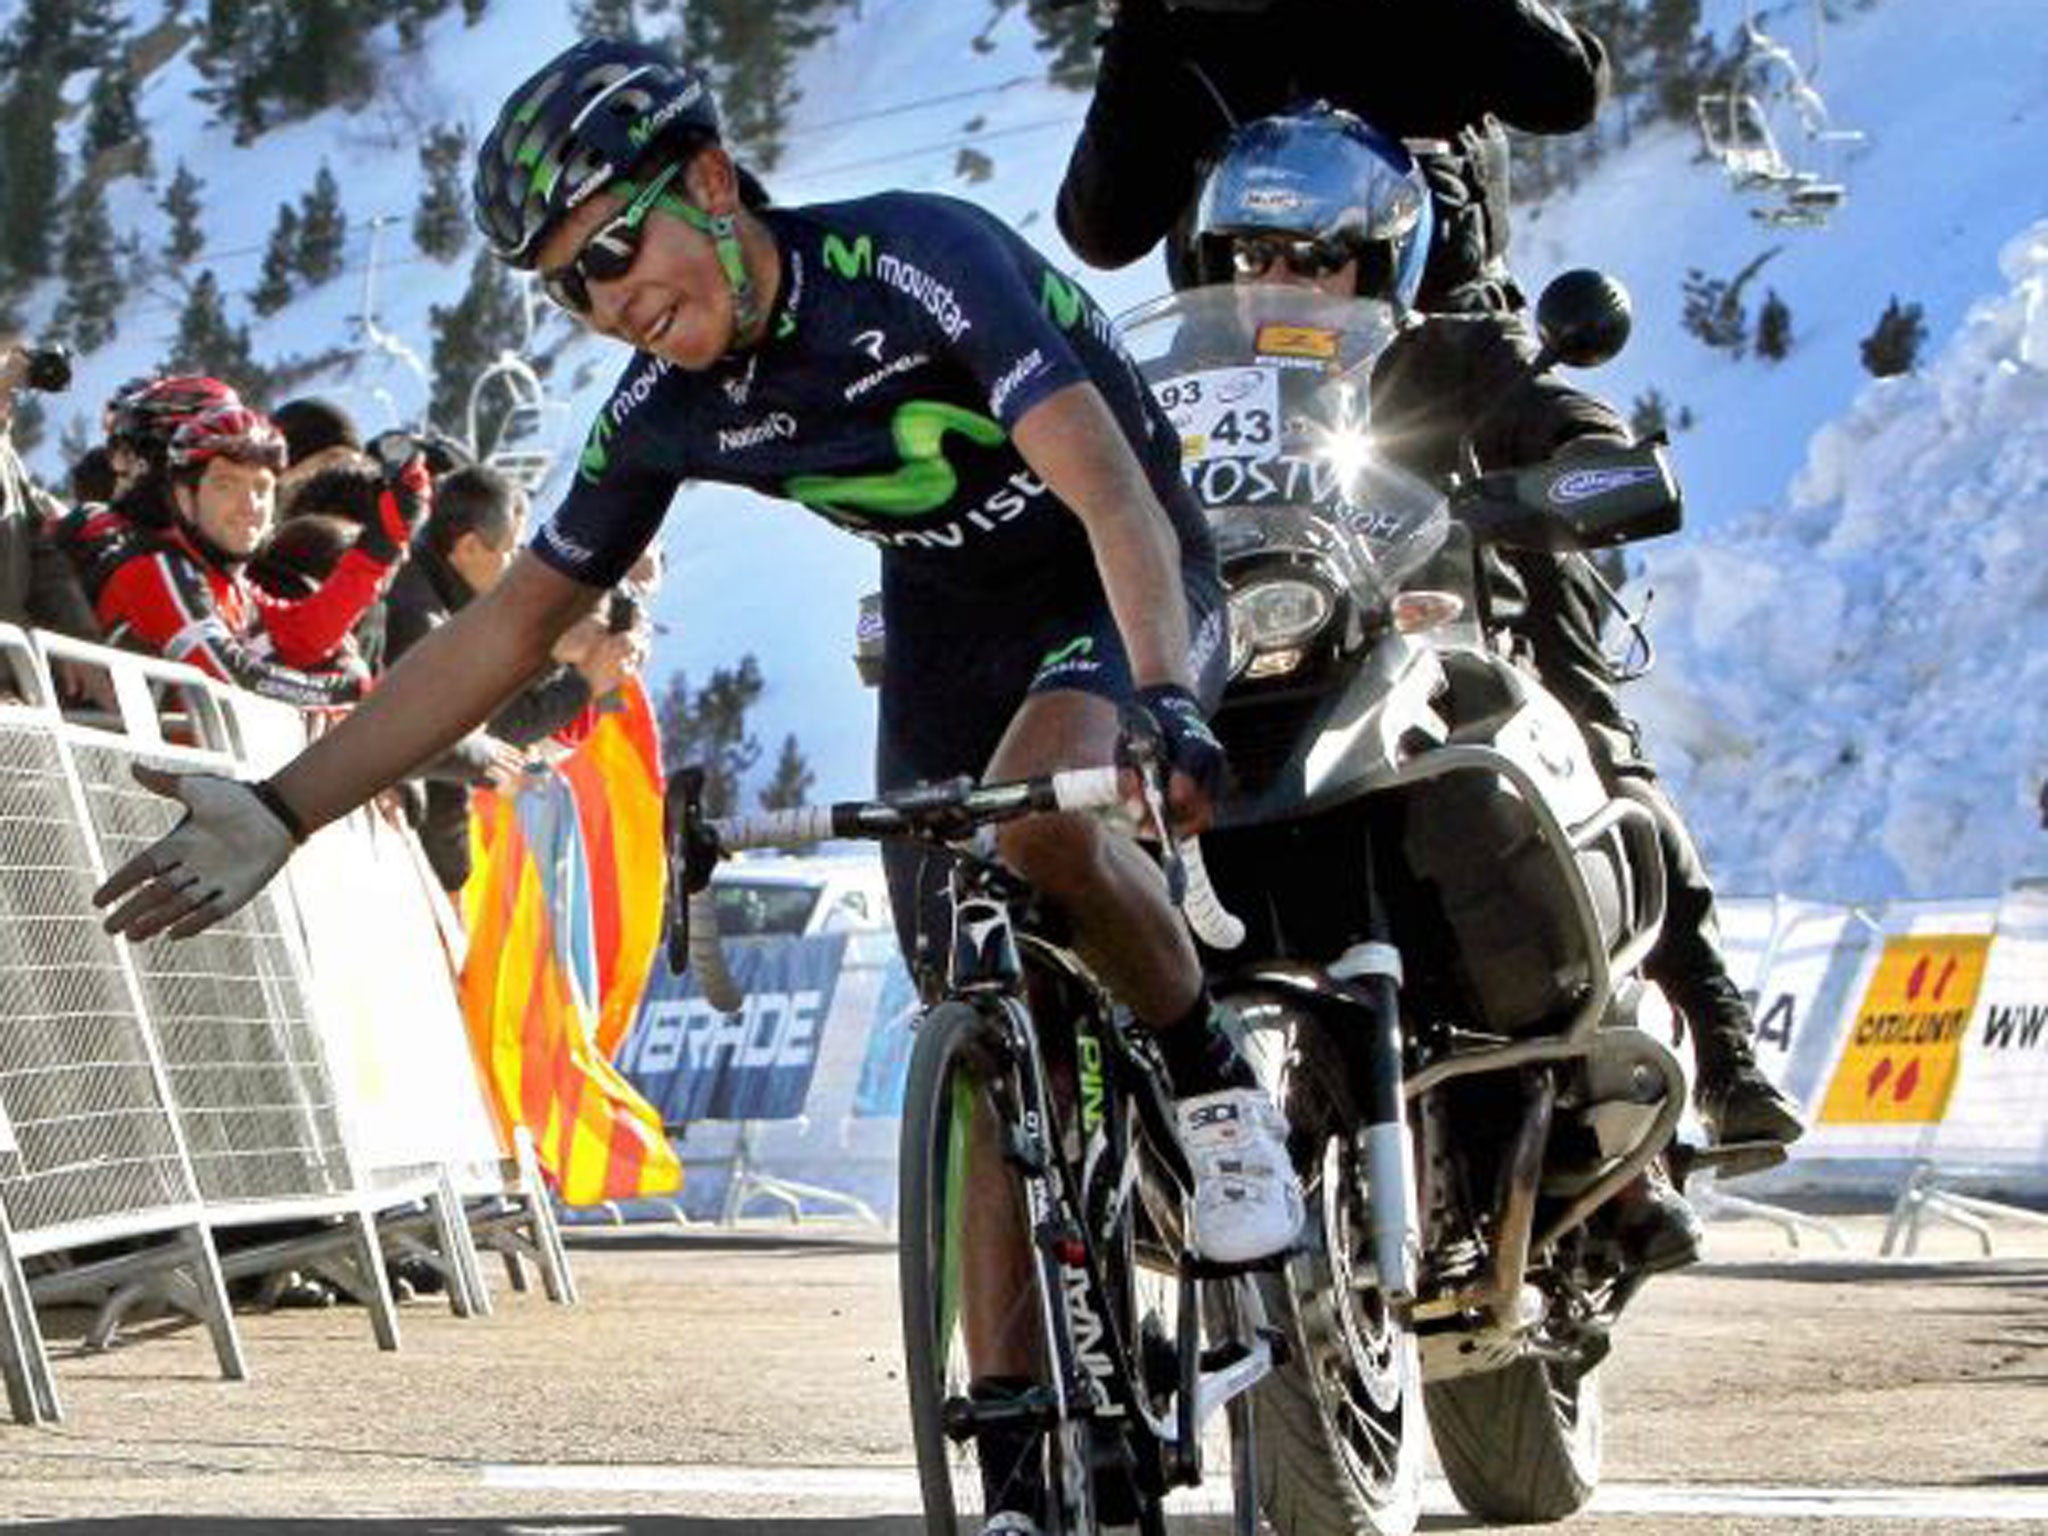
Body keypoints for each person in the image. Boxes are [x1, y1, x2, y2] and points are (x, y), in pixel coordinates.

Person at [94, 40, 1303, 1535]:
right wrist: (286, 805)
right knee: (977, 1012)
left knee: (1045, 821)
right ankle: (1016, 1461)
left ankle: (1208, 1076)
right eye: (568, 289)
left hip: (1120, 580)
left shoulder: (917, 260)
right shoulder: (665, 403)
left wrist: (1170, 700)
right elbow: (504, 632)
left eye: (615, 247)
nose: (612, 302)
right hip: (949, 630)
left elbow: (1108, 488)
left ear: (716, 183)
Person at [1198, 108, 1803, 1262]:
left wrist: (1578, 464)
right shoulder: (1168, 398)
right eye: (1249, 256)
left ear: (1378, 260)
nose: (1277, 282)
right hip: (1251, 690)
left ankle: (1700, 1057)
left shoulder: (1448, 355)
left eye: (1312, 257)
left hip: (1434, 665)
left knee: (1582, 749)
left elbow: (1561, 413)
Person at [1056, 0, 1607, 307]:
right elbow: (1104, 234)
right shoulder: (1183, 28)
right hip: (1243, 356)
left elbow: (1566, 94)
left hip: (1440, 341)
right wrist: (1144, 23)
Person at [384, 462, 627, 892]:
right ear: (470, 547)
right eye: (511, 551)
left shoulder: (447, 597)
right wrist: (581, 680)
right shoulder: (419, 614)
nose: (517, 566)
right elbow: (489, 725)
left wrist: (555, 658)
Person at [95, 403, 427, 706]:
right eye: (226, 485)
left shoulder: (229, 584)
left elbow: (302, 634)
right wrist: (351, 692)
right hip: (135, 769)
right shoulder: (159, 570)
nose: (249, 507)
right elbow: (233, 677)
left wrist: (383, 543)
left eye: (261, 488)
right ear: (184, 497)